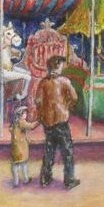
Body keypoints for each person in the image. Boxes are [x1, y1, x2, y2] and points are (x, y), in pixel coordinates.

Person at [36, 55, 80, 190]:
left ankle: (45, 178)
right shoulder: (64, 81)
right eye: (61, 65)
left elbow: (38, 101)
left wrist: (42, 114)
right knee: (67, 151)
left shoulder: (43, 83)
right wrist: (66, 106)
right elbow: (74, 97)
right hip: (61, 120)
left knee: (49, 151)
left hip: (48, 121)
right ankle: (69, 180)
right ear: (58, 66)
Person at [9, 106, 40, 188]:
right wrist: (40, 121)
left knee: (15, 165)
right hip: (22, 148)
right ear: (20, 115)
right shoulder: (22, 122)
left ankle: (16, 182)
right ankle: (25, 179)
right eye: (24, 113)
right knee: (23, 164)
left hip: (15, 148)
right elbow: (32, 126)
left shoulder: (14, 123)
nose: (26, 115)